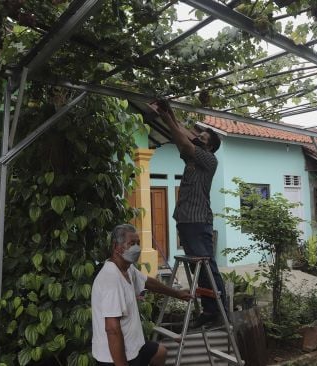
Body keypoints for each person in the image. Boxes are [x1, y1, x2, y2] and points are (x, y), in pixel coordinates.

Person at [153, 100, 225, 328]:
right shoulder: (194, 156)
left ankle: (215, 308)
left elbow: (185, 142)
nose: (199, 138)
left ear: (210, 147)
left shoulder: (208, 159)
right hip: (186, 219)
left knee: (206, 266)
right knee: (198, 267)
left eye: (203, 139)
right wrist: (170, 114)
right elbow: (185, 136)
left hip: (196, 219)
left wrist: (166, 119)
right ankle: (210, 308)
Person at [91, 224, 192, 366]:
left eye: (138, 243)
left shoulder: (127, 268)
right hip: (114, 357)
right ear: (116, 247)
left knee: (159, 353)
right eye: (131, 244)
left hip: (133, 347)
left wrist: (176, 293)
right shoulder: (111, 279)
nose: (137, 248)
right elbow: (112, 329)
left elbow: (147, 282)